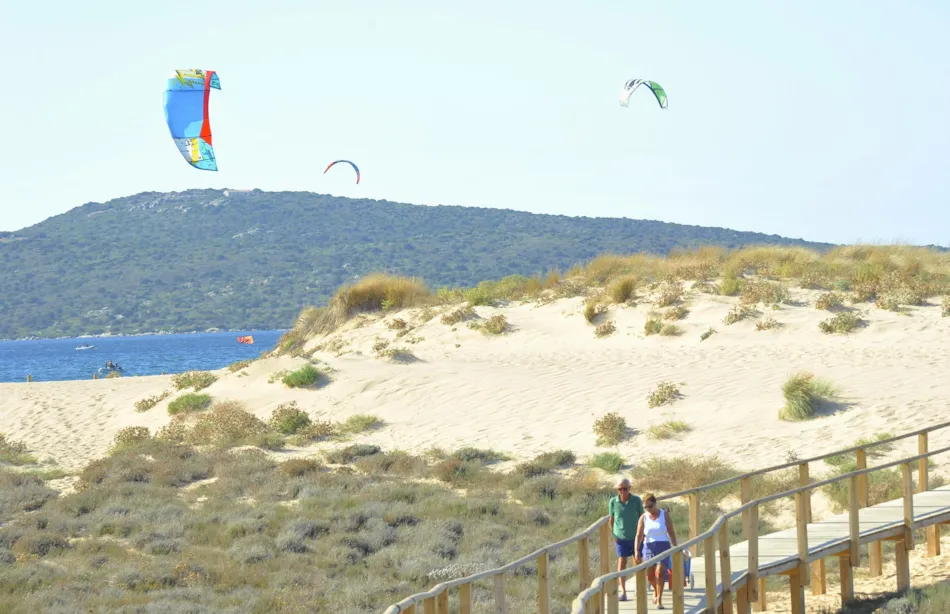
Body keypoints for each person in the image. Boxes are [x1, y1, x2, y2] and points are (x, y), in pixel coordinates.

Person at [635, 493, 679, 609]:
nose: (648, 509)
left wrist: (676, 546)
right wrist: (636, 551)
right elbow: (639, 535)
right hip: (648, 546)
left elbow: (671, 531)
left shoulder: (664, 515)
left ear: (655, 503)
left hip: (663, 545)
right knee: (650, 576)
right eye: (646, 507)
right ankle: (656, 590)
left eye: (650, 506)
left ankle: (659, 599)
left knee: (659, 573)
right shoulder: (643, 517)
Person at [607, 478, 644, 602]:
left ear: (630, 488)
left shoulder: (636, 500)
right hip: (620, 538)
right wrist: (614, 535)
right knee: (621, 563)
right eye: (619, 489)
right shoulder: (613, 502)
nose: (622, 491)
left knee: (637, 562)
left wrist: (642, 534)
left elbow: (642, 517)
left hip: (635, 538)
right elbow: (611, 519)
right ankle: (623, 591)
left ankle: (638, 588)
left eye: (625, 489)